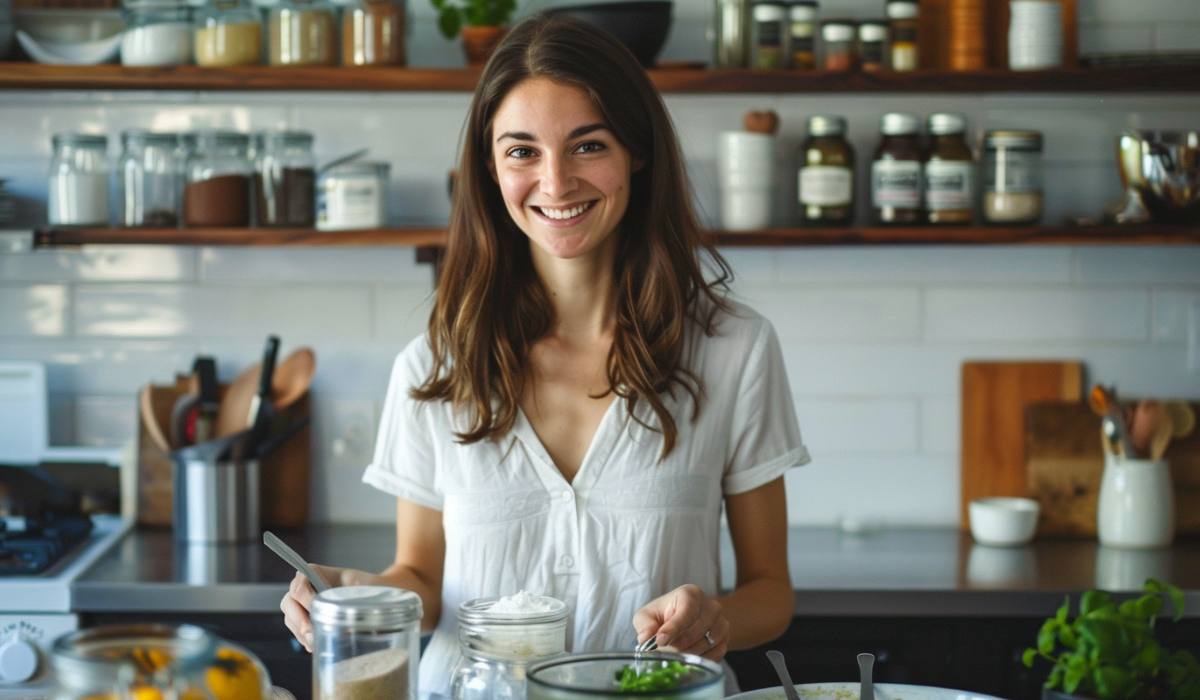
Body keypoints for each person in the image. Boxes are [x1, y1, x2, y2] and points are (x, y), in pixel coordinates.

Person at [280, 13, 809, 695]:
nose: (556, 183)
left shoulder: (734, 349)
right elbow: (421, 579)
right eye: (522, 151)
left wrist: (716, 618)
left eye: (588, 146)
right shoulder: (435, 366)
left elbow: (772, 590)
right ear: (491, 168)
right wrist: (362, 594)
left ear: (636, 152)